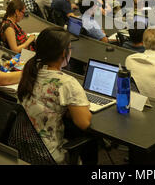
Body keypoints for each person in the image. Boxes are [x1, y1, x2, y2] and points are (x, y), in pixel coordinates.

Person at [18, 27, 97, 165]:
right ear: (63, 53)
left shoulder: (31, 71)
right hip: (48, 155)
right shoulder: (67, 82)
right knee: (89, 138)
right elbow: (84, 123)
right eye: (70, 48)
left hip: (23, 148)